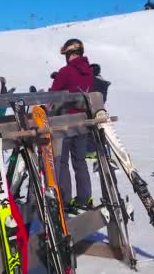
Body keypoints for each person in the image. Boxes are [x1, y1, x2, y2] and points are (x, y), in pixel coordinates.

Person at [50, 38, 94, 210]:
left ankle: (65, 199)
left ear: (69, 53)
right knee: (80, 160)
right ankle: (84, 198)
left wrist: (58, 78)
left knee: (62, 161)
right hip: (83, 120)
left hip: (65, 121)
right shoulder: (88, 71)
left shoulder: (66, 71)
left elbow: (54, 94)